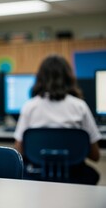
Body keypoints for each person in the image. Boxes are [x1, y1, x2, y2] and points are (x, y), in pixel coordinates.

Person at [13, 54, 101, 184]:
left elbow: (18, 151)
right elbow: (95, 155)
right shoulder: (80, 106)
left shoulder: (30, 106)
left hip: (36, 177)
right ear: (69, 78)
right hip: (74, 177)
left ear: (40, 78)